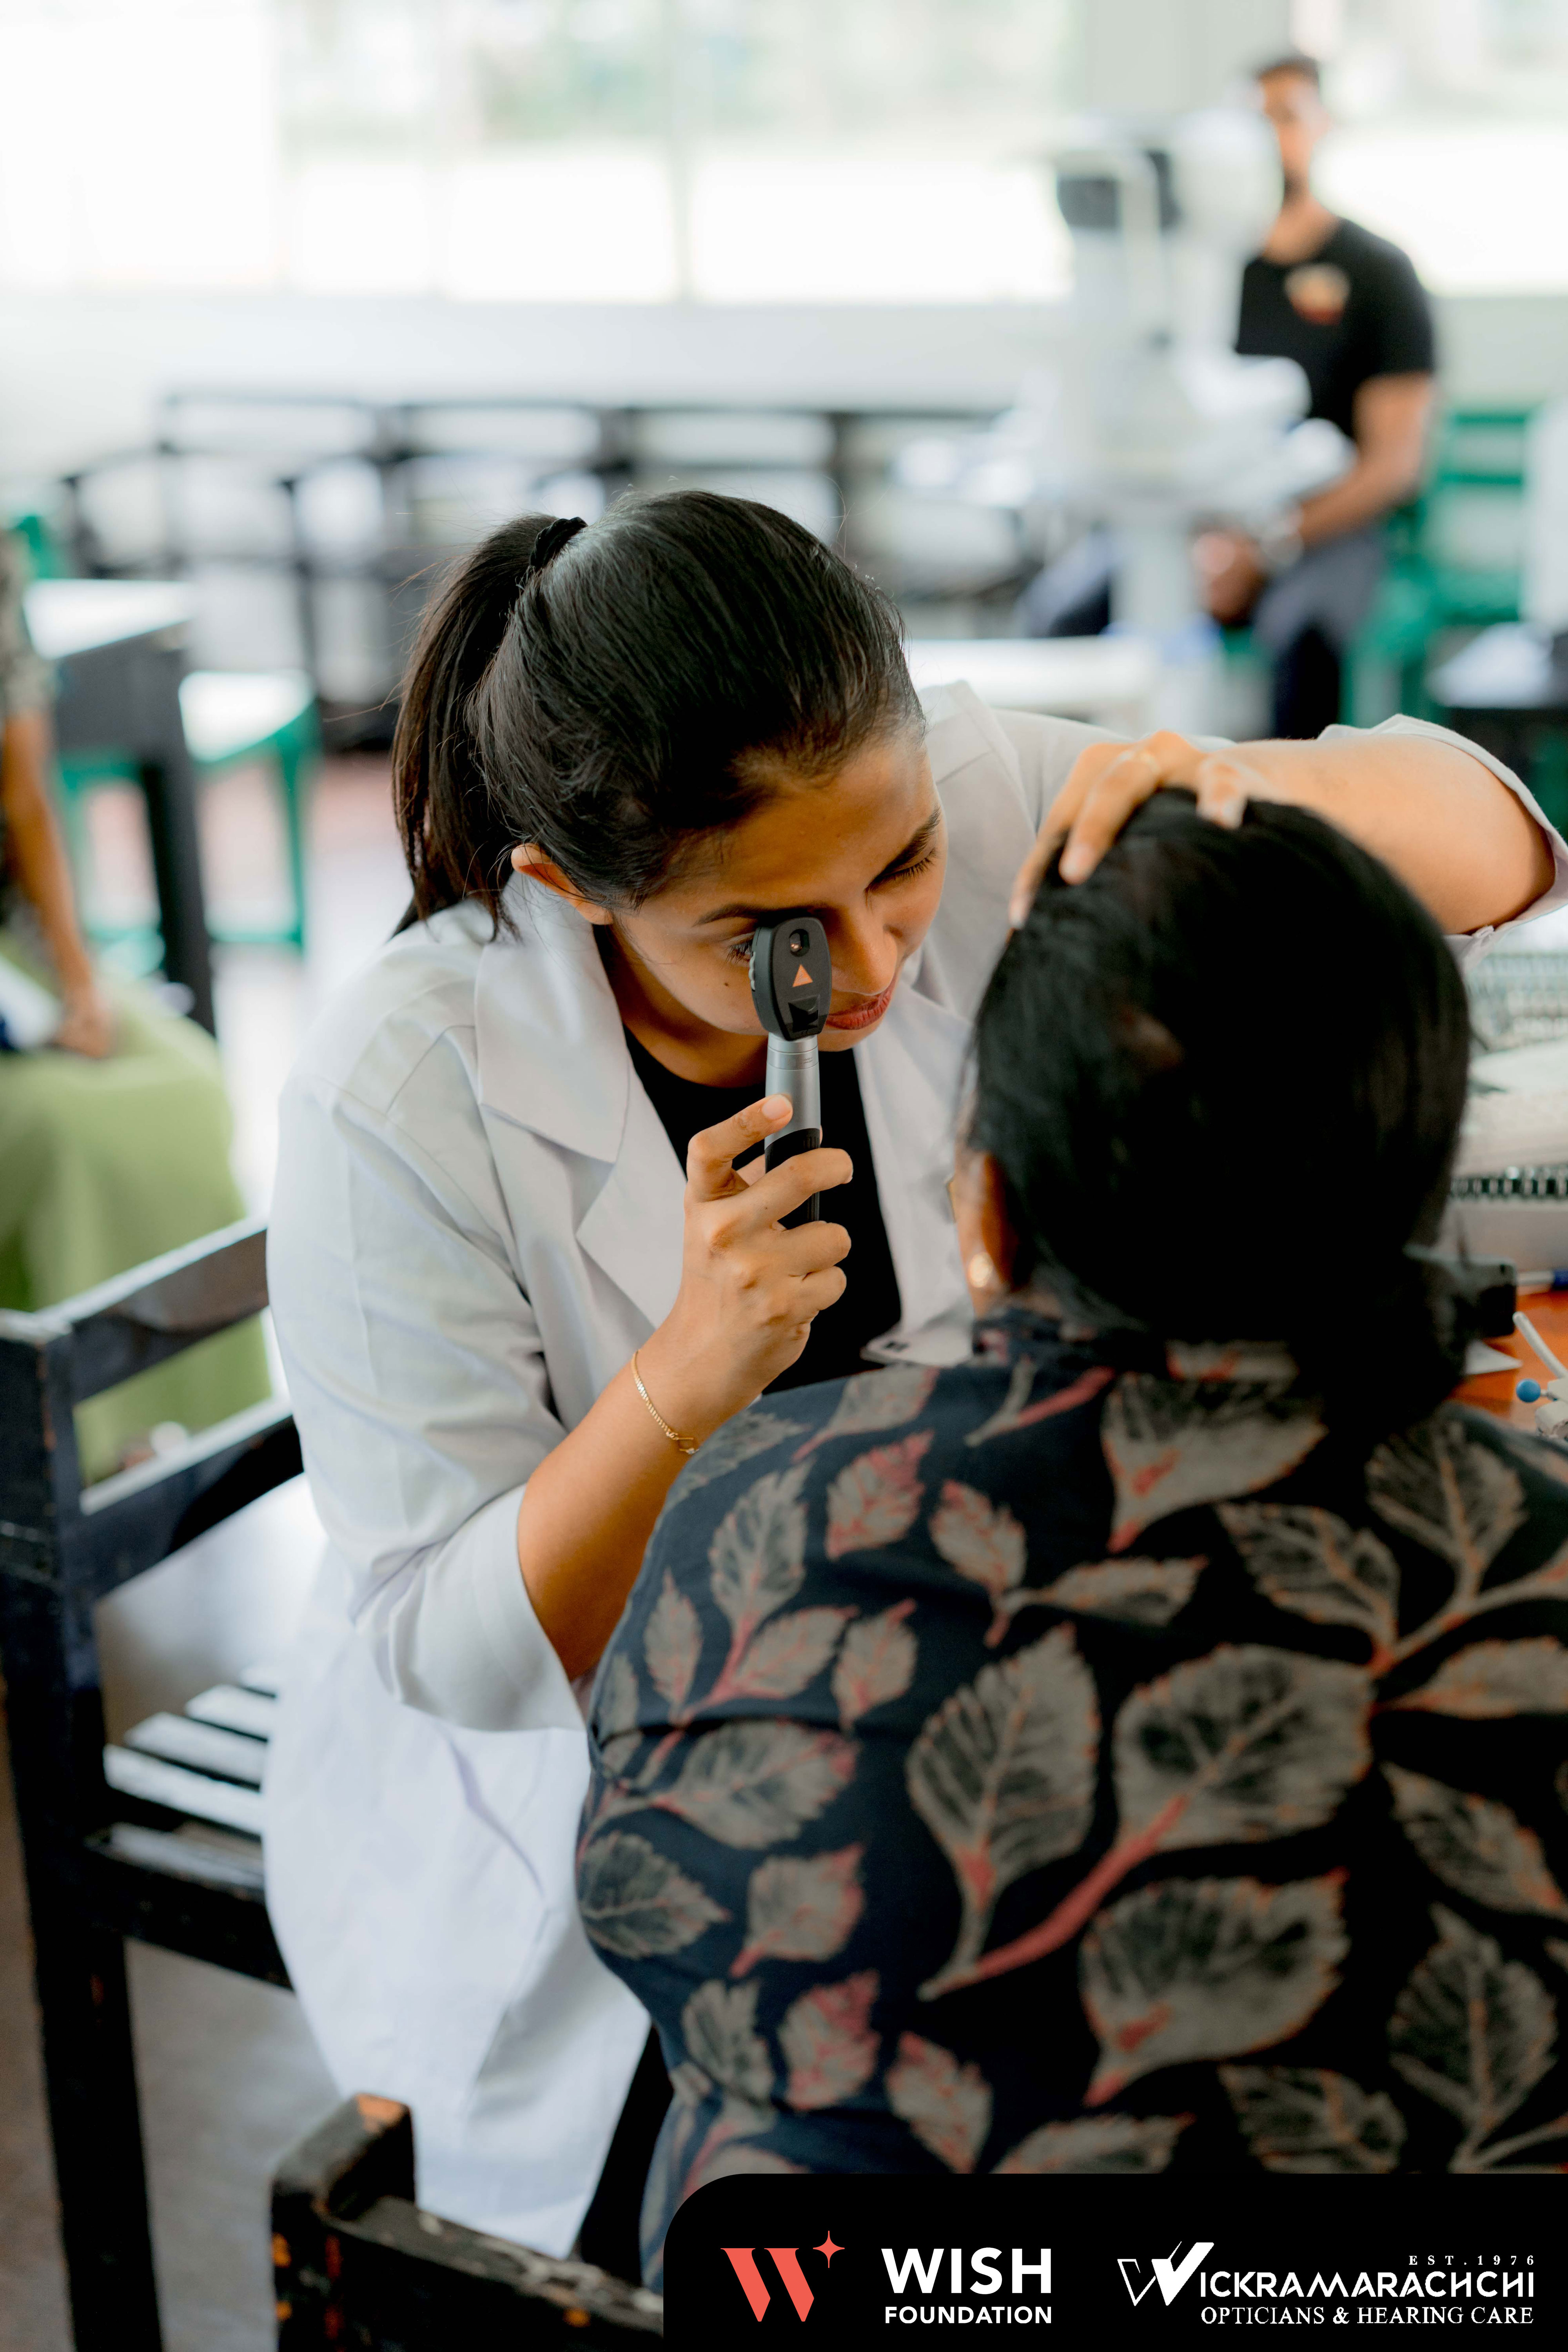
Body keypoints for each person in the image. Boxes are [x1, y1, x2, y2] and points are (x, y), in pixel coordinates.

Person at [264, 488, 1564, 2265]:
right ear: (571, 888)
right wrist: (684, 1377)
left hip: (1004, 1627)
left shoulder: (972, 785)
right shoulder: (399, 1089)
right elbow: (449, 1650)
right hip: (600, 1796)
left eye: (898, 872)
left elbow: (1500, 847)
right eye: (767, 931)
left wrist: (1237, 785)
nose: (872, 963)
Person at [583, 791, 1568, 2277]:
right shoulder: (1534, 1561)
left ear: (986, 1209)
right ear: (1431, 1200)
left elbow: (645, 1915)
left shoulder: (754, 1512)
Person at [0, 527, 267, 1479]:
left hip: (12, 958)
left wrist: (78, 985)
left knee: (186, 1083)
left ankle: (170, 1445)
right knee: (66, 1135)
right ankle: (60, 1454)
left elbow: (25, 799)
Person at [1198, 50, 1437, 737]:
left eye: (1287, 116)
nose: (1269, 138)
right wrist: (1213, 545)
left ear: (1323, 125)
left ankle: (1290, 835)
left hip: (1332, 527)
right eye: (1251, 121)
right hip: (1205, 520)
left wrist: (1267, 544)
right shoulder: (1206, 275)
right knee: (1071, 609)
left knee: (1304, 635)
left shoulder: (1379, 276)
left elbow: (1394, 463)